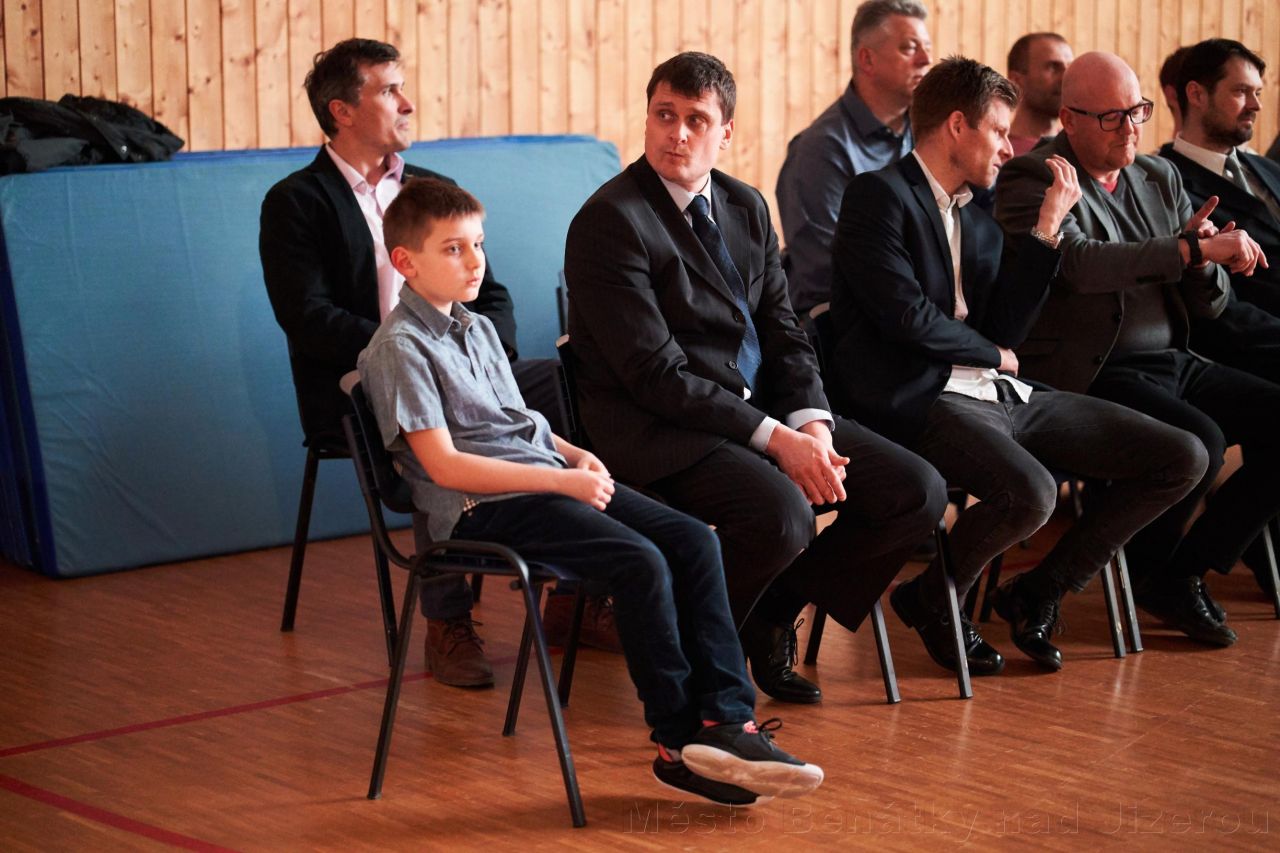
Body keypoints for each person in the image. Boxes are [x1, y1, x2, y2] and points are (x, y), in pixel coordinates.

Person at [357, 176, 824, 806]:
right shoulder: (399, 349)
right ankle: (677, 742)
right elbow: (445, 467)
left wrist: (576, 457)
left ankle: (729, 723)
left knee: (693, 541)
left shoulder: (478, 328)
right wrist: (561, 479)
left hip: (544, 481)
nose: (474, 261)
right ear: (405, 261)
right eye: (453, 249)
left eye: (478, 244)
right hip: (482, 509)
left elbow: (520, 425)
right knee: (639, 561)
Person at [565, 51, 946, 704]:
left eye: (695, 119)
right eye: (664, 115)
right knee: (781, 516)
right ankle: (689, 662)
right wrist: (777, 439)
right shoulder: (611, 221)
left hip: (754, 412)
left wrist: (813, 423)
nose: (676, 133)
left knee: (916, 490)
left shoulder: (744, 204)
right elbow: (656, 376)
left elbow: (784, 331)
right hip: (658, 428)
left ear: (726, 133)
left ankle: (769, 614)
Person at [829, 57, 1206, 674]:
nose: (1010, 148)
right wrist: (990, 353)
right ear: (958, 126)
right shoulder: (878, 195)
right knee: (1032, 492)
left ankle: (1033, 589)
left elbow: (1006, 330)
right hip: (920, 397)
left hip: (1001, 392)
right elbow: (905, 317)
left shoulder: (977, 219)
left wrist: (1048, 229)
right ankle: (938, 598)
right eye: (1000, 131)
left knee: (1182, 455)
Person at [260, 38, 571, 689]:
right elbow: (308, 318)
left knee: (563, 379)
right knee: (435, 420)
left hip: (461, 368)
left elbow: (493, 296)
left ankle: (576, 591)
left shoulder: (434, 189)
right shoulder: (296, 202)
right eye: (389, 90)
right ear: (343, 110)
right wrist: (420, 355)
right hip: (363, 381)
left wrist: (482, 359)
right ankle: (446, 618)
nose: (407, 103)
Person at [995, 51, 1279, 648]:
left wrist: (1204, 259)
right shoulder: (1036, 175)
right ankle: (1051, 585)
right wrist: (1190, 251)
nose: (1130, 128)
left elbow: (1210, 305)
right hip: (1093, 369)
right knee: (1199, 443)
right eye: (1112, 117)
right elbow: (1079, 265)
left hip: (1173, 358)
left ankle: (1178, 574)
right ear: (1069, 120)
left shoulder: (1159, 176)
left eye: (1137, 111)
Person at [1159, 38, 1280, 588]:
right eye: (1241, 92)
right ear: (1196, 94)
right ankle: (1188, 568)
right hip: (1227, 340)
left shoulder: (1267, 171)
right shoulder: (1166, 179)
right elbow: (1215, 304)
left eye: (1258, 92)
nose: (1255, 104)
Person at [776, 0, 931, 316]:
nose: (926, 60)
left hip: (917, 310)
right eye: (909, 48)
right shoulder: (820, 149)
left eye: (927, 48)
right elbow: (827, 271)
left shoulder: (930, 134)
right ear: (867, 59)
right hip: (842, 321)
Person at [1007, 33, 1074, 155]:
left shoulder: (1079, 149)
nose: (1066, 77)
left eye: (1069, 68)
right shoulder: (999, 153)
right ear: (1016, 81)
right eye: (1053, 67)